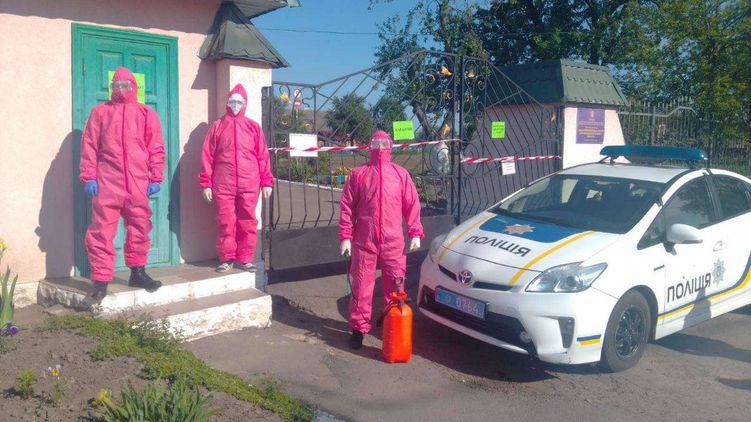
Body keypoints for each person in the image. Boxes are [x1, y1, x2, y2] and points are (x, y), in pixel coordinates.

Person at [79, 67, 165, 303]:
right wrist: (89, 176)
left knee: (140, 226)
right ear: (111, 87)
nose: (121, 88)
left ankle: (137, 273)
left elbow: (155, 147)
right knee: (101, 230)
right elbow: (89, 145)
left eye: (125, 84)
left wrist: (156, 177)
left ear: (133, 86)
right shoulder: (100, 112)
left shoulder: (146, 114)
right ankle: (100, 281)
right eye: (116, 84)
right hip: (108, 181)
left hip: (137, 182)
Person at [339, 130, 424, 349]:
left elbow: (412, 204)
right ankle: (358, 329)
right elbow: (347, 207)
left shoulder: (400, 175)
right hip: (364, 240)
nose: (379, 147)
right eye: (375, 143)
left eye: (383, 144)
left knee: (395, 284)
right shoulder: (358, 174)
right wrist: (346, 237)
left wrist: (415, 232)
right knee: (361, 285)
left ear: (390, 147)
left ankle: (392, 324)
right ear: (370, 146)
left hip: (393, 241)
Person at [199, 84, 274, 273]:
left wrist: (266, 181)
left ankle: (245, 258)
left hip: (249, 183)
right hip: (223, 183)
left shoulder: (253, 127)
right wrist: (206, 183)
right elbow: (207, 156)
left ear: (245, 104)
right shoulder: (217, 126)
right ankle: (227, 258)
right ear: (227, 102)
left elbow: (263, 156)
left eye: (239, 102)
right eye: (232, 101)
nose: (235, 105)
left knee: (248, 221)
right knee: (225, 221)